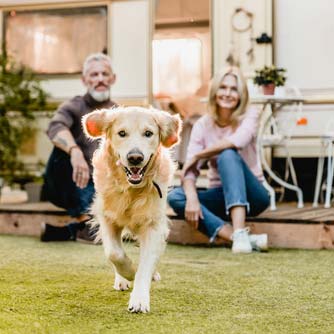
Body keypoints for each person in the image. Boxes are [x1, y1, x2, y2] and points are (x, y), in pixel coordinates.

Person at [167, 66, 270, 253]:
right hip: (221, 196)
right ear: (215, 91)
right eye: (223, 87)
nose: (228, 93)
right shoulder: (202, 125)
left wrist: (200, 155)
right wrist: (191, 198)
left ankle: (239, 231)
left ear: (241, 94)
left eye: (233, 89)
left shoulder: (251, 114)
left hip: (254, 196)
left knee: (228, 154)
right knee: (175, 196)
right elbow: (189, 172)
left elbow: (237, 141)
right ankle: (240, 238)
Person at [40, 52, 117, 242]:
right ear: (84, 80)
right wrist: (75, 152)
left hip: (98, 184)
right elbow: (55, 127)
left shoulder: (118, 113)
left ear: (112, 79)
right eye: (94, 75)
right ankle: (87, 221)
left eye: (104, 74)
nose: (100, 79)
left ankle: (74, 230)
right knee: (62, 149)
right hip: (66, 182)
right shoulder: (74, 105)